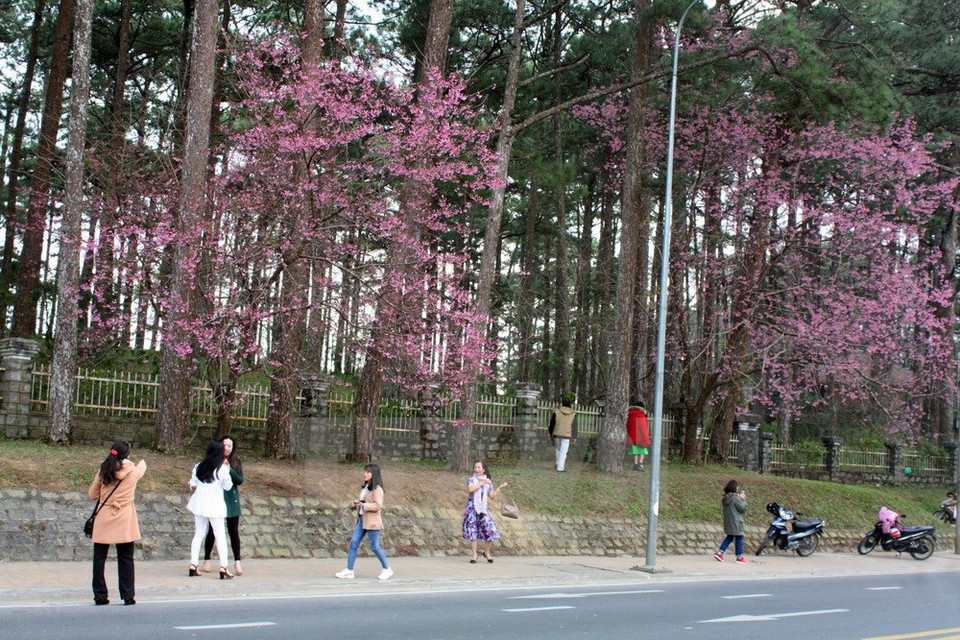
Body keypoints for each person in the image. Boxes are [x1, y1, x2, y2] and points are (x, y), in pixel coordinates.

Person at [88, 441, 147, 606]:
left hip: (104, 515)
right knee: (126, 558)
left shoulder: (104, 469)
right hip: (124, 517)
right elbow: (143, 465)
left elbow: (92, 494)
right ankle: (128, 595)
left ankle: (100, 596)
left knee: (99, 558)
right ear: (127, 455)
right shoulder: (134, 471)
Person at [335, 464, 393, 580]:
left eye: (368, 472)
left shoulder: (378, 489)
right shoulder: (366, 488)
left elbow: (378, 506)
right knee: (353, 544)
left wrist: (363, 504)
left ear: (374, 474)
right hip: (361, 520)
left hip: (372, 522)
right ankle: (349, 570)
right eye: (365, 471)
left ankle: (387, 569)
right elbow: (363, 502)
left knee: (375, 547)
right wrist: (354, 505)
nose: (365, 474)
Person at [187, 439, 234, 579]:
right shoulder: (222, 469)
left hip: (199, 504)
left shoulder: (198, 467)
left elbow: (193, 483)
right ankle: (223, 566)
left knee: (198, 533)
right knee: (220, 536)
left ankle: (193, 564)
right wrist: (228, 470)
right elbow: (228, 487)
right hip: (215, 506)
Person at [201, 436, 244, 576]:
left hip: (231, 500)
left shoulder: (236, 462)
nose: (227, 448)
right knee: (212, 532)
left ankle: (237, 561)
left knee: (233, 532)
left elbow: (239, 480)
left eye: (230, 446)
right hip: (217, 500)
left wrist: (229, 469)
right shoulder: (213, 461)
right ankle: (206, 559)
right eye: (225, 445)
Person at [462, 460, 507, 563]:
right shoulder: (471, 480)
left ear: (483, 470)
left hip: (484, 509)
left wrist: (499, 488)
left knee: (490, 529)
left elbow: (491, 496)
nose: (476, 469)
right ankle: (474, 555)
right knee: (472, 531)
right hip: (472, 508)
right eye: (475, 467)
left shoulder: (488, 482)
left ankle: (486, 552)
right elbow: (471, 489)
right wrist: (481, 483)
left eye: (479, 467)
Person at [714, 479, 747, 564]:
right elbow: (742, 509)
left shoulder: (726, 497)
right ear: (734, 488)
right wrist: (743, 499)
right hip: (736, 522)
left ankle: (720, 553)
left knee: (730, 537)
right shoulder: (735, 498)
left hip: (729, 521)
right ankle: (739, 557)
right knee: (739, 537)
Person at [548, 398, 578, 472]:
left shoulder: (556, 412)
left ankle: (557, 464)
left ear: (562, 404)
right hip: (566, 435)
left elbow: (552, 424)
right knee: (563, 451)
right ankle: (560, 468)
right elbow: (574, 426)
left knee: (558, 449)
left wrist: (550, 432)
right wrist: (574, 437)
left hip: (556, 434)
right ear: (570, 405)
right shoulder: (573, 414)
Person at [626, 400, 651, 471]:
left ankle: (635, 464)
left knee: (635, 451)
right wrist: (646, 437)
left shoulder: (629, 414)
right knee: (643, 450)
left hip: (632, 436)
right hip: (641, 436)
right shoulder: (641, 415)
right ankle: (640, 463)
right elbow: (643, 427)